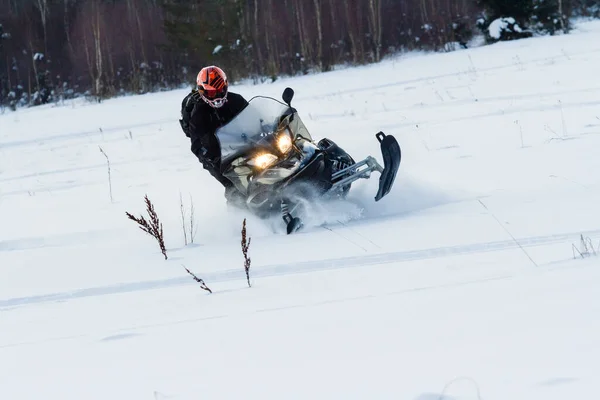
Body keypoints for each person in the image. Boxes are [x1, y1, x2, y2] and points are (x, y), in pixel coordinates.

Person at [179, 65, 249, 205]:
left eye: (220, 90)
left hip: (243, 143)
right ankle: (240, 218)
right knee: (233, 186)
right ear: (202, 92)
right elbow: (197, 146)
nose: (217, 96)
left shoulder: (236, 100)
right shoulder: (198, 115)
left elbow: (254, 117)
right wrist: (211, 157)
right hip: (217, 155)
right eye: (211, 93)